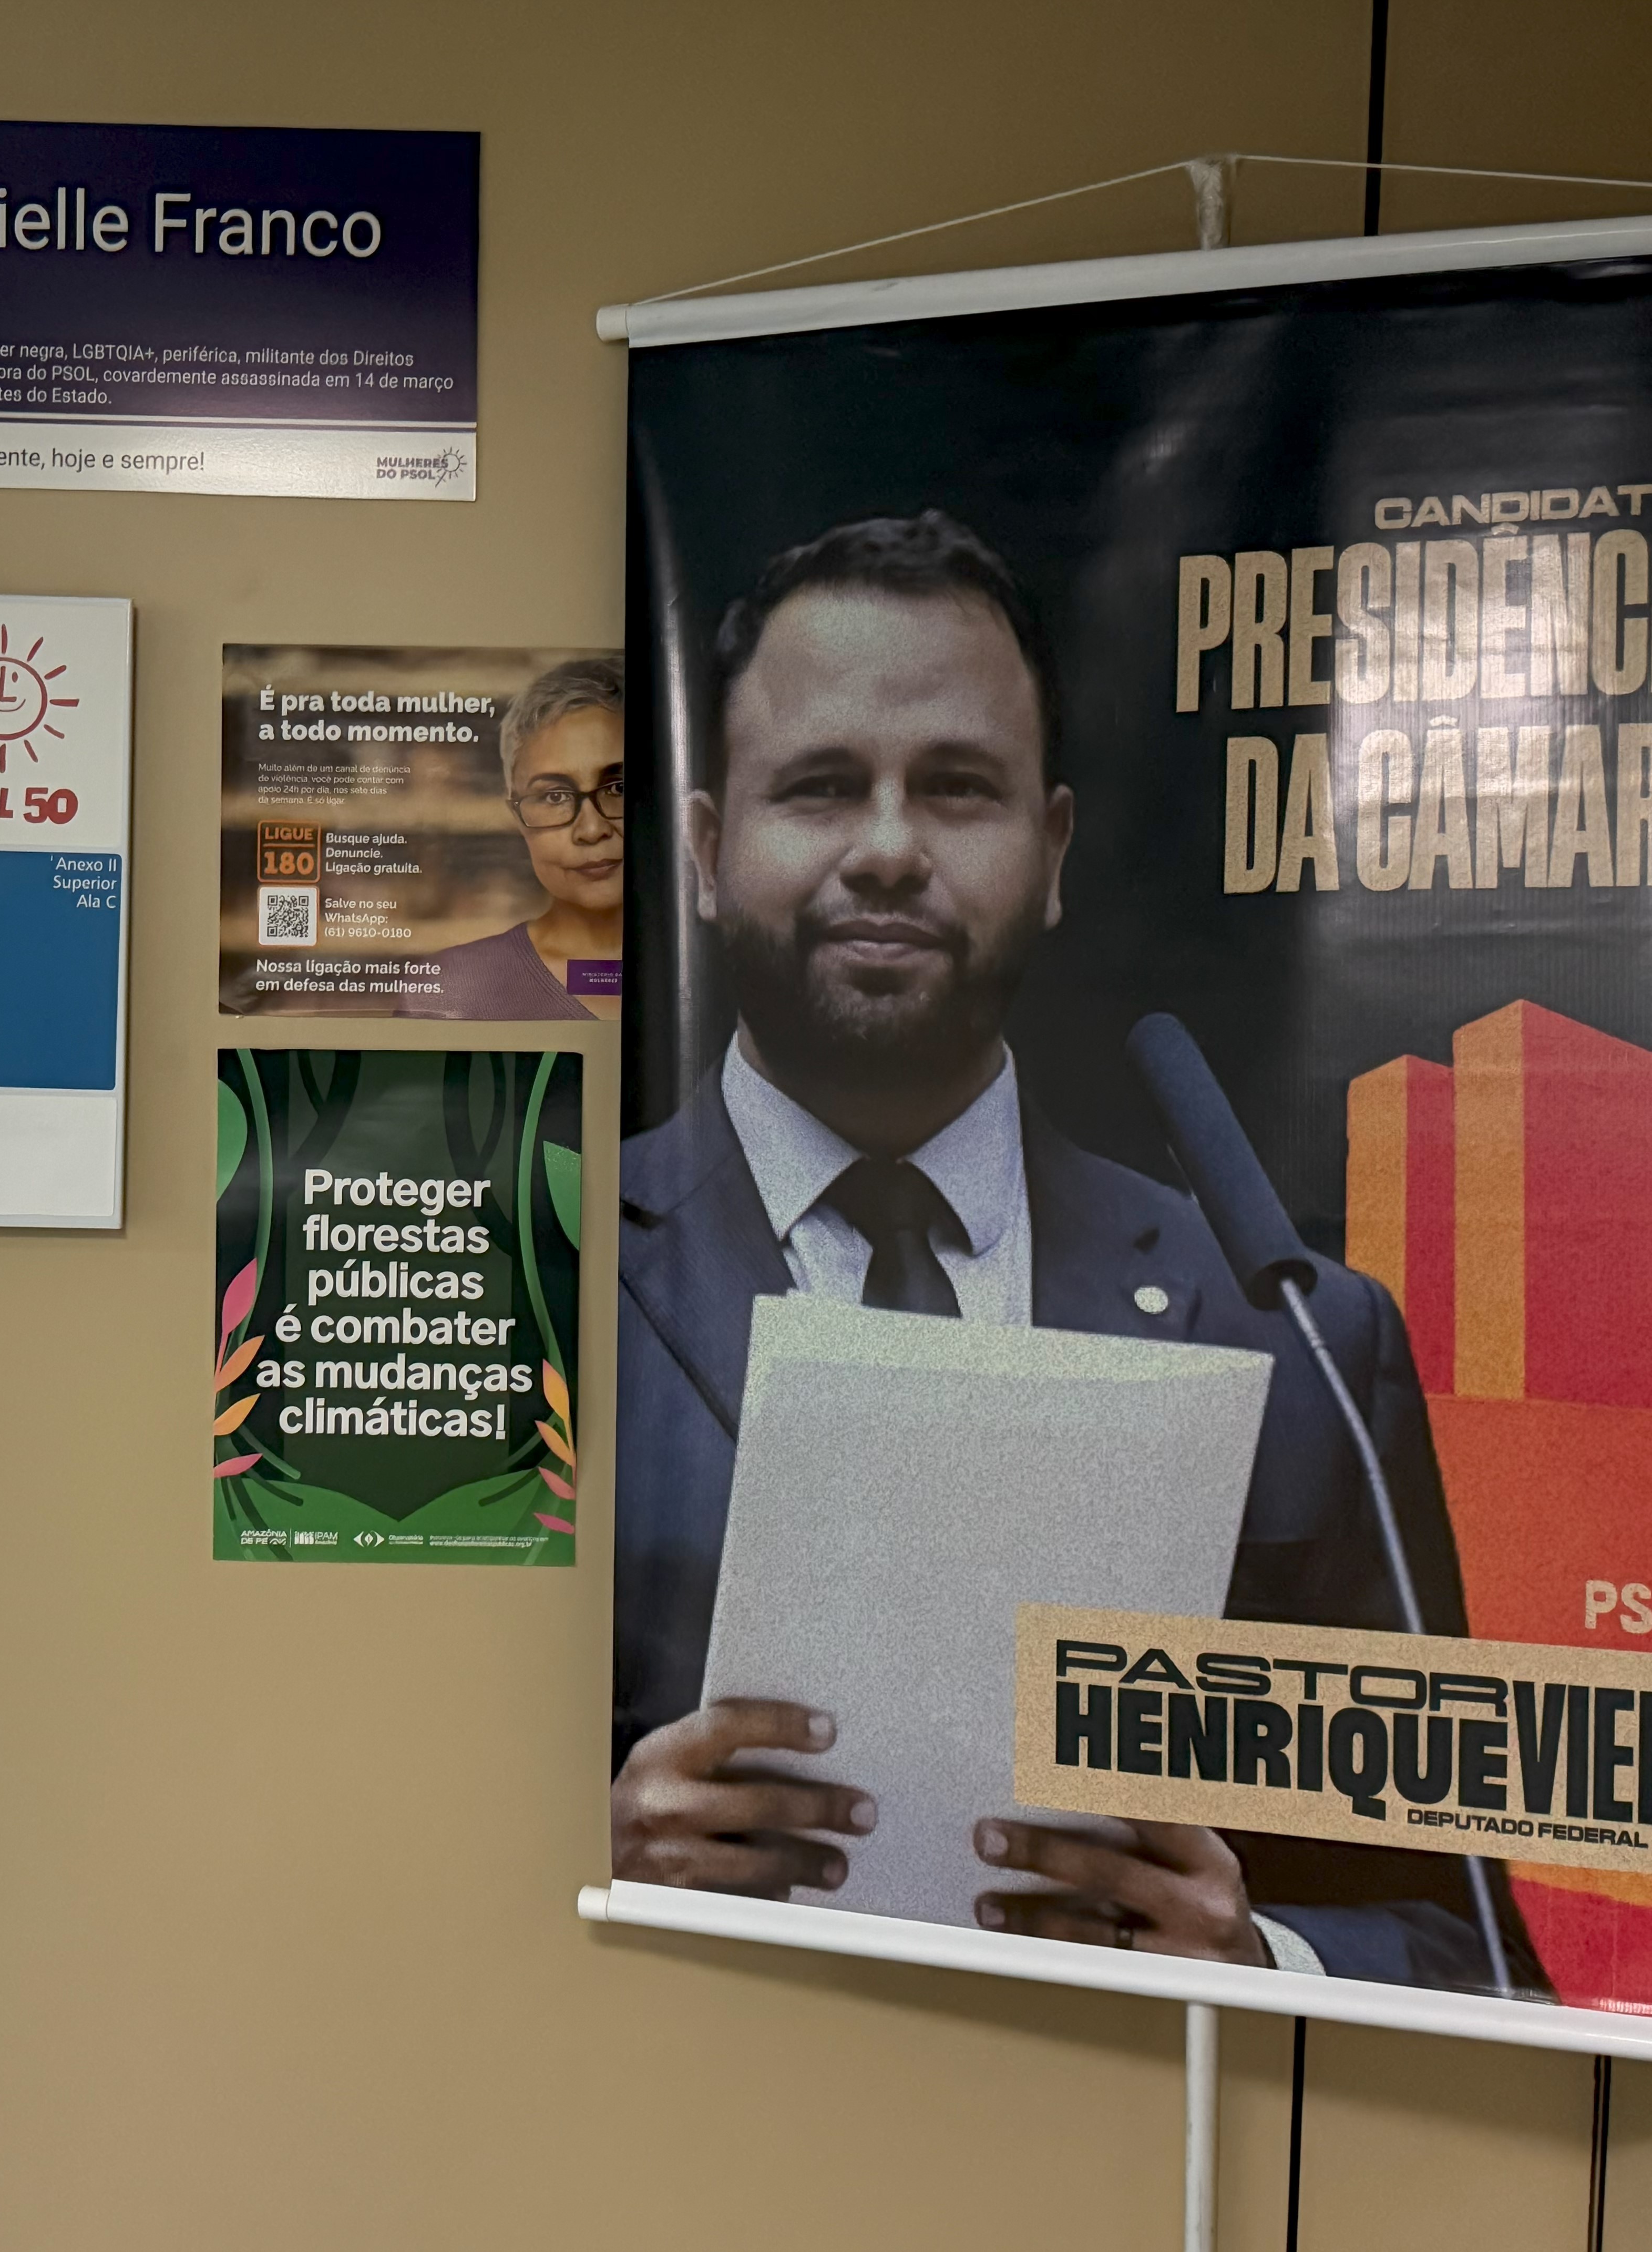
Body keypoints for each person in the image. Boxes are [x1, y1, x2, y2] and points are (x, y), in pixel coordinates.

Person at [611, 510, 1544, 1995]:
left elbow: (1473, 1942)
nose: (892, 849)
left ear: (1049, 852)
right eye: (824, 786)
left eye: (959, 788)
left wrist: (1260, 1952)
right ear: (714, 849)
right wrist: (593, 1868)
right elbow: (353, 1851)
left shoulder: (1293, 1335)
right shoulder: (545, 1281)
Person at [397, 654, 623, 1021]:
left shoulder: (722, 975)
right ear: (517, 818)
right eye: (554, 797)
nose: (591, 829)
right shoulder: (453, 992)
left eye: (618, 788)